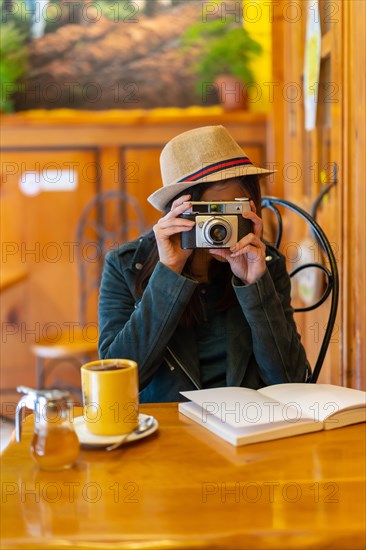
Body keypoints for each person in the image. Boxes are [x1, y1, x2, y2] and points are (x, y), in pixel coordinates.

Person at [98, 126, 309, 402]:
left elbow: (291, 381)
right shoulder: (125, 267)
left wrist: (255, 286)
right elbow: (116, 380)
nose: (219, 225)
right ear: (178, 211)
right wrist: (168, 274)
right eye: (209, 211)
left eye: (233, 210)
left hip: (245, 423)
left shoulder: (265, 264)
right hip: (169, 427)